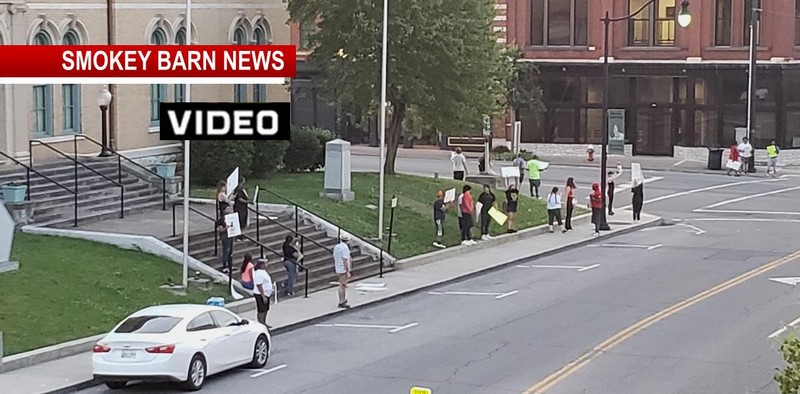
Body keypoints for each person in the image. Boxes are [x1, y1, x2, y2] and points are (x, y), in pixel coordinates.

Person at [252, 258, 273, 329]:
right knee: (261, 310)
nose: (267, 264)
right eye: (265, 263)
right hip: (260, 294)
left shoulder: (263, 271)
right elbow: (259, 285)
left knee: (266, 309)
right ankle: (261, 324)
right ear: (261, 265)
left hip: (267, 294)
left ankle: (264, 323)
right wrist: (263, 296)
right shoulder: (258, 273)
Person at [333, 234, 352, 308]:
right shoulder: (345, 248)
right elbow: (345, 260)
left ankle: (342, 300)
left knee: (342, 284)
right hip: (343, 268)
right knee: (342, 285)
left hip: (338, 267)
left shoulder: (337, 247)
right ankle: (342, 301)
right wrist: (347, 271)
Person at [216, 206, 234, 273]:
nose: (229, 210)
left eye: (230, 209)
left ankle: (230, 265)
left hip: (230, 236)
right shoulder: (221, 219)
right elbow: (220, 230)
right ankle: (224, 266)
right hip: (225, 236)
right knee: (225, 251)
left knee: (230, 252)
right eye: (227, 209)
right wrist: (225, 228)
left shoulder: (231, 218)